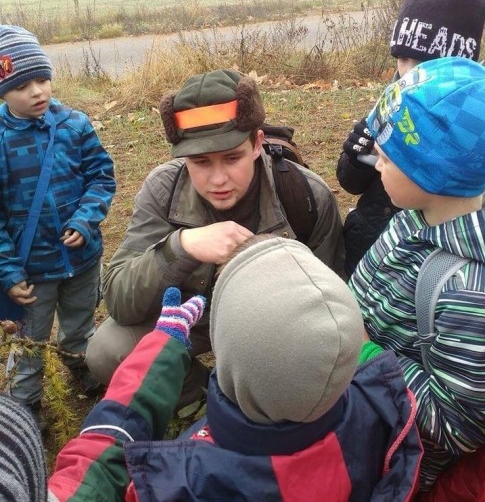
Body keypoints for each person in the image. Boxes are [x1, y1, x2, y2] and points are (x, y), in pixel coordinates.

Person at [49, 235, 422, 501]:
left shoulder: (179, 480)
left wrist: (159, 348)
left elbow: (99, 476)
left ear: (224, 348)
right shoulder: (385, 407)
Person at [86, 68, 344, 408]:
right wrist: (182, 247)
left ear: (257, 144)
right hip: (192, 317)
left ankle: (258, 400)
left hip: (271, 324)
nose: (218, 179)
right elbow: (119, 298)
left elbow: (332, 312)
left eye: (232, 158)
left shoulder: (306, 196)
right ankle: (203, 398)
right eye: (201, 162)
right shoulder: (163, 190)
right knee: (108, 350)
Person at [349, 56, 485, 492]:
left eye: (387, 159)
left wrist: (365, 354)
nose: (376, 166)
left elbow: (455, 427)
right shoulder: (415, 215)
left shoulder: (468, 294)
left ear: (434, 172)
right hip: (359, 402)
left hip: (393, 461)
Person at [0, 25, 116, 429]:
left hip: (81, 259)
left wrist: (86, 219)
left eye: (43, 79)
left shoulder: (74, 125)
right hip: (31, 271)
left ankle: (82, 367)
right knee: (30, 343)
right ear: (3, 90)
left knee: (80, 325)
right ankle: (24, 407)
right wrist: (8, 272)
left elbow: (101, 176)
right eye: (22, 85)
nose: (37, 91)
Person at [336, 0, 485, 277]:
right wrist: (356, 155)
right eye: (403, 58)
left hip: (435, 268)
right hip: (370, 245)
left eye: (424, 64)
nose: (407, 73)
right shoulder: (391, 101)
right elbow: (350, 183)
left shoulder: (475, 129)